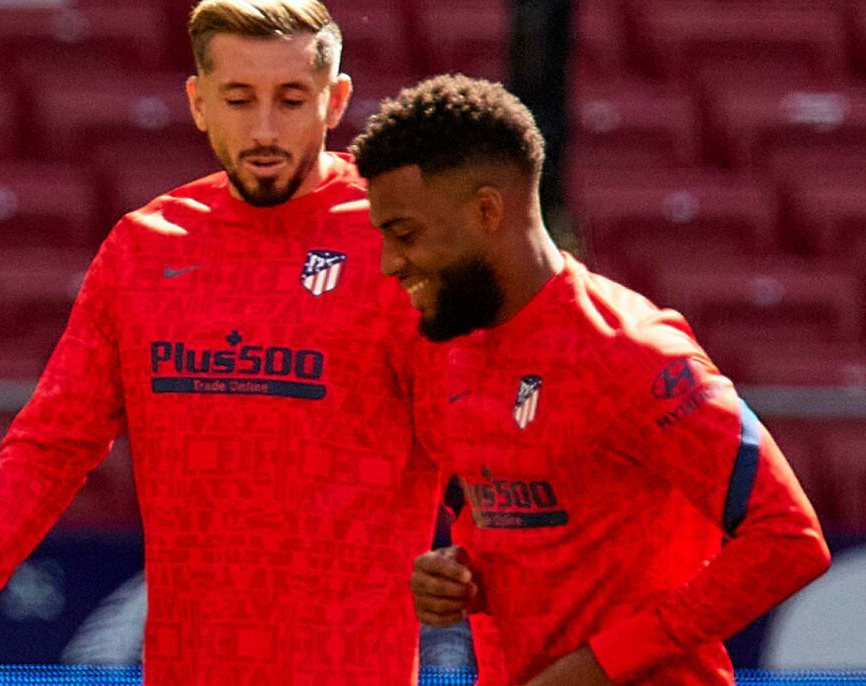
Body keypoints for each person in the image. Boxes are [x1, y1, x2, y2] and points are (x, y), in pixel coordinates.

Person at [0, 3, 443, 685]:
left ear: (336, 101)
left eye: (292, 99)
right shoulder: (144, 251)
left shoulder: (406, 248)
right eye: (239, 99)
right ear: (198, 102)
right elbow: (48, 447)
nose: (265, 128)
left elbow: (487, 470)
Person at [351, 74, 832, 685]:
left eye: (405, 234)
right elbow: (531, 529)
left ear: (487, 210)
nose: (391, 263)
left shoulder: (632, 349)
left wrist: (602, 665)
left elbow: (790, 538)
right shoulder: (454, 353)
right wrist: (460, 575)